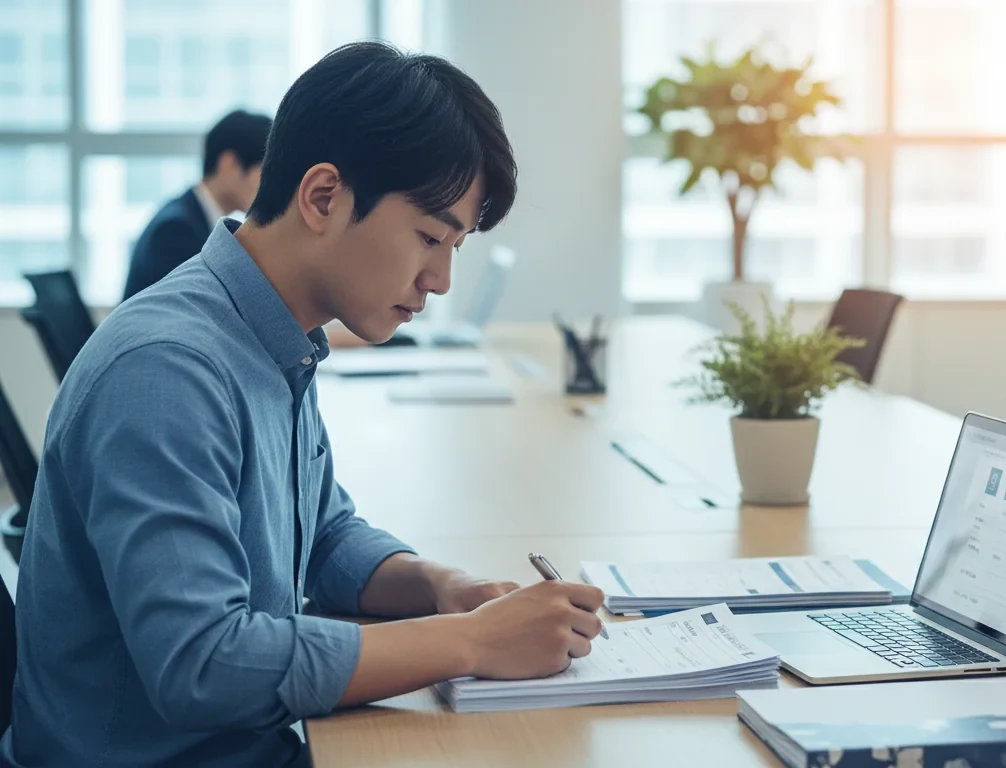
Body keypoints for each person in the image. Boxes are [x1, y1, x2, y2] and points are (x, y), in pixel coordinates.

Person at [2, 42, 605, 768]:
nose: (441, 279)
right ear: (323, 197)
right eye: (428, 237)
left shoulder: (272, 334)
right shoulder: (167, 370)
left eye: (456, 246)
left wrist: (445, 587)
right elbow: (204, 666)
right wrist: (470, 642)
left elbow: (321, 536)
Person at [121, 109, 272, 301]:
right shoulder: (176, 229)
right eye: (263, 172)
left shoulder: (192, 215)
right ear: (230, 164)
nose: (268, 186)